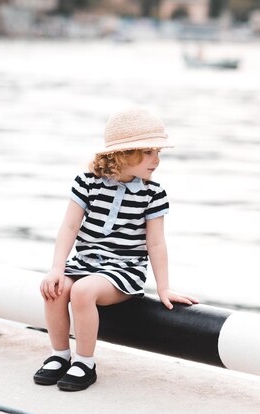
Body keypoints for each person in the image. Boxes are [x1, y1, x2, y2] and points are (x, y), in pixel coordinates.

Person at [33, 107, 199, 391]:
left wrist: (163, 288)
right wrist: (57, 269)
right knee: (56, 289)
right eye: (149, 152)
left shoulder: (153, 193)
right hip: (84, 263)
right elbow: (69, 228)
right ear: (123, 154)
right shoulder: (87, 183)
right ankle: (59, 355)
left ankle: (85, 362)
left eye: (158, 152)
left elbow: (156, 243)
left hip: (124, 270)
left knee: (82, 291)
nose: (156, 160)